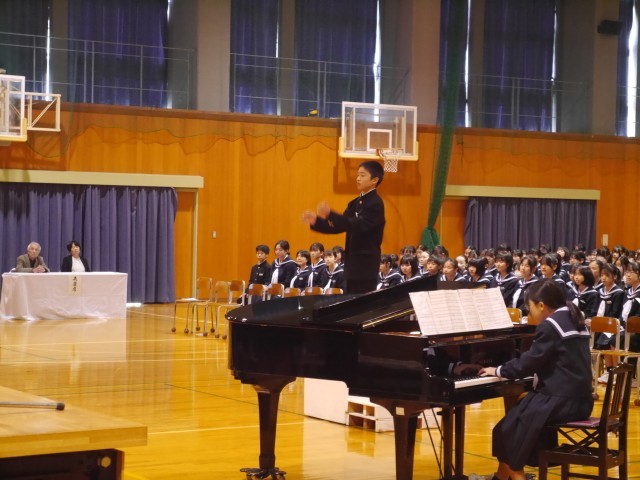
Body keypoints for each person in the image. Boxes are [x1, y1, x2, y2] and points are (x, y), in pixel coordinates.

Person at [479, 279, 593, 480]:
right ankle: (501, 477)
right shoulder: (574, 318)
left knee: (506, 430)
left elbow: (527, 364)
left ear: (541, 305)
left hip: (559, 401)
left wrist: (497, 370)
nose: (529, 314)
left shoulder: (550, 326)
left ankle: (517, 475)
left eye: (529, 308)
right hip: (581, 400)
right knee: (510, 426)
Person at [302, 161, 385, 294]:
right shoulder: (354, 203)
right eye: (358, 175)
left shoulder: (376, 203)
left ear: (374, 180)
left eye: (362, 175)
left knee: (362, 304)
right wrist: (316, 222)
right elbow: (338, 226)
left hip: (366, 267)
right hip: (352, 266)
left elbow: (355, 225)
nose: (358, 178)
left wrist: (330, 214)